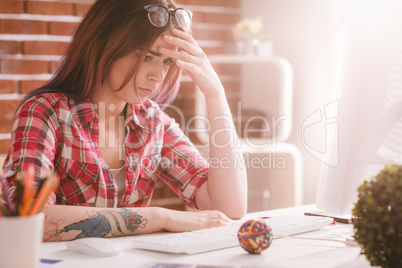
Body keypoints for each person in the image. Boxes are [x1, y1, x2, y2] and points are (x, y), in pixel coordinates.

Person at [2, 0, 247, 242]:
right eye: (148, 57)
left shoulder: (152, 122)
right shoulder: (46, 112)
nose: (158, 76)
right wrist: (162, 218)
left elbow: (229, 207)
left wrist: (215, 94)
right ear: (105, 46)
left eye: (167, 61)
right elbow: (27, 217)